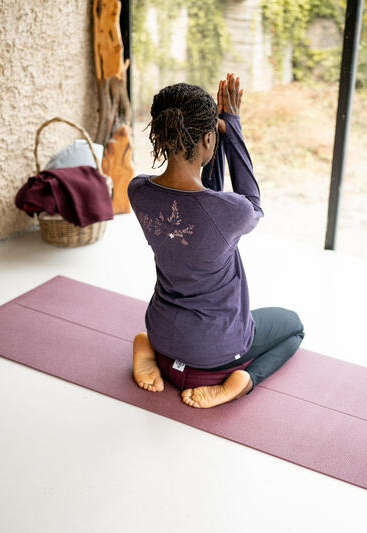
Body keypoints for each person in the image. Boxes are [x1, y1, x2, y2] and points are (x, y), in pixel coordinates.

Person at [127, 73, 305, 409]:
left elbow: (202, 198)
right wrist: (233, 125)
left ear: (160, 134)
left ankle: (147, 348)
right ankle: (242, 383)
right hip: (216, 356)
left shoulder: (138, 191)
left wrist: (219, 133)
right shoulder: (229, 212)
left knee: (167, 339)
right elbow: (249, 201)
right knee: (294, 325)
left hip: (163, 336)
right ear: (208, 139)